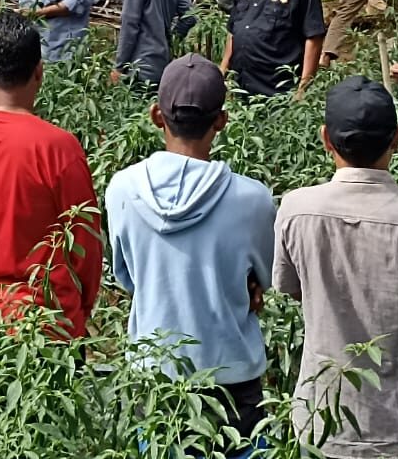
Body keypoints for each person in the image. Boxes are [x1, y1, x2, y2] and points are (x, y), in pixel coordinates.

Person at [273, 76, 398, 459]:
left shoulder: (295, 209)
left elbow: (295, 288)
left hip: (324, 416)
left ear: (325, 139)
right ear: (397, 138)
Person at [107, 53, 276, 452]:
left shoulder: (122, 189)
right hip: (234, 379)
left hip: (158, 380)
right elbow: (265, 279)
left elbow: (128, 278)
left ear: (155, 115)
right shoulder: (252, 198)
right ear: (221, 120)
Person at [0, 12, 102, 337]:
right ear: (39, 71)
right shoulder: (59, 147)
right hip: (48, 319)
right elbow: (85, 243)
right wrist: (81, 307)